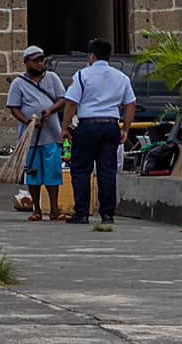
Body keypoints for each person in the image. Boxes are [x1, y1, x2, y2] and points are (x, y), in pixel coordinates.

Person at [61, 40, 133, 229]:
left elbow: (71, 102)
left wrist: (65, 127)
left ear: (91, 56)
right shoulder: (121, 77)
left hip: (88, 125)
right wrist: (125, 128)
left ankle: (82, 212)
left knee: (81, 170)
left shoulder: (82, 75)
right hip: (111, 125)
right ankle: (107, 213)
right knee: (107, 171)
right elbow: (130, 103)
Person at [4, 47, 63, 219]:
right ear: (26, 62)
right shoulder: (18, 83)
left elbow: (62, 99)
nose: (39, 63)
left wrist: (50, 111)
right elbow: (13, 108)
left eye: (41, 60)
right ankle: (36, 210)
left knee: (53, 173)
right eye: (36, 61)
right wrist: (27, 121)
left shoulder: (52, 78)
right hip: (30, 138)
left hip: (51, 135)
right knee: (33, 174)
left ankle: (54, 209)